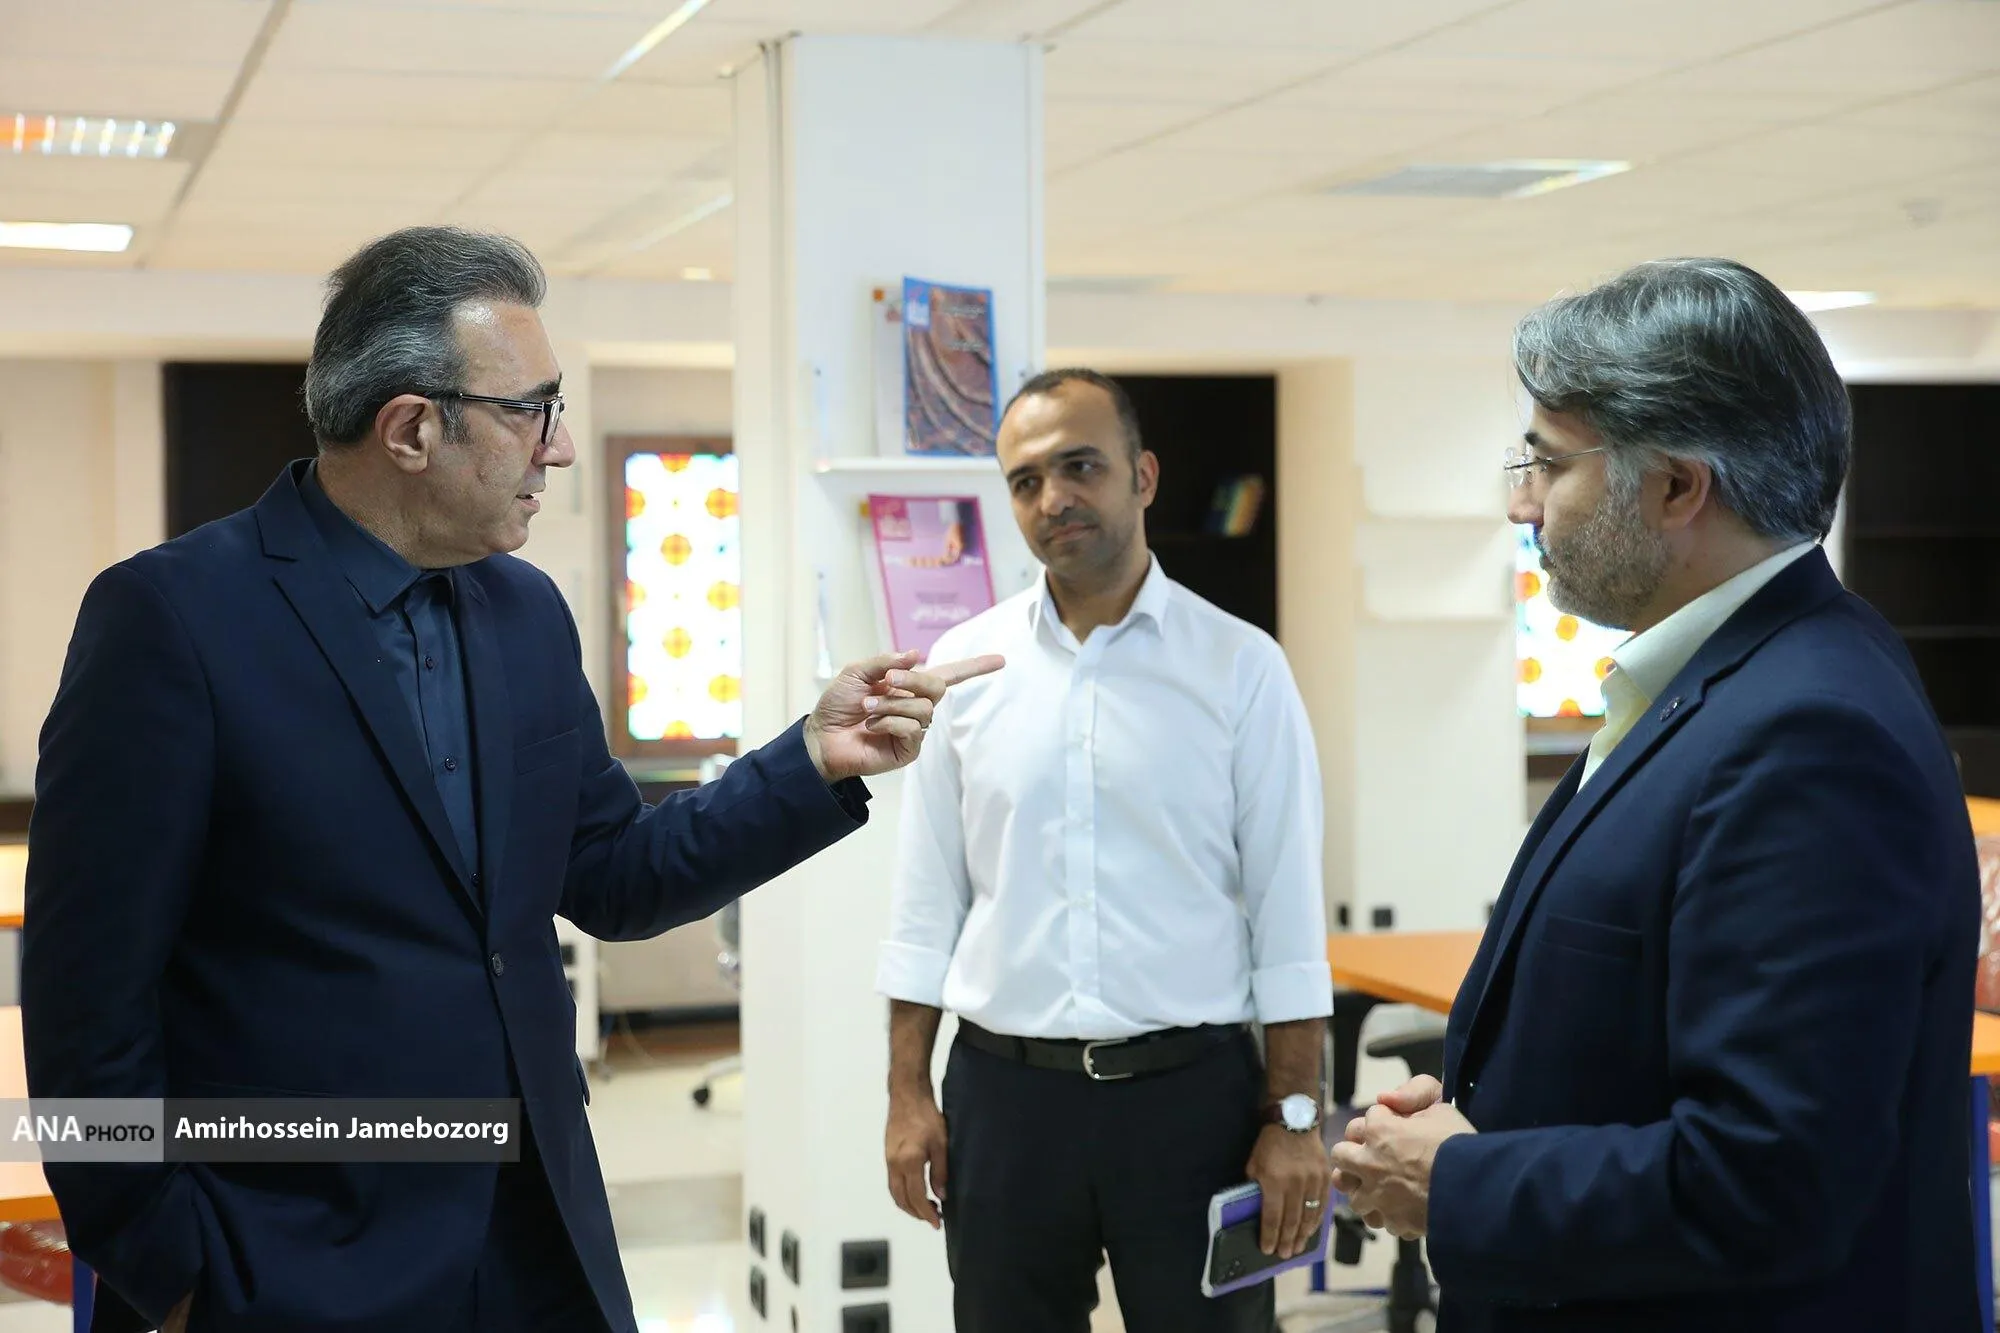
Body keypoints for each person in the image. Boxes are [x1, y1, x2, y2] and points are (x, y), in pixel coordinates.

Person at [22, 226, 1001, 1333]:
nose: (562, 447)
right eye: (532, 409)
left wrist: (810, 759)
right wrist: (167, 1267)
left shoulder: (522, 611)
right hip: (289, 1257)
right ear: (410, 429)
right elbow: (84, 1000)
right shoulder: (174, 617)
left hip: (533, 1244)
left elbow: (612, 871)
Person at [1331, 258, 1982, 1332]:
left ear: (1677, 487)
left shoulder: (1806, 734)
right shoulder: (1727, 680)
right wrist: (1481, 1120)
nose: (1519, 502)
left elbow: (1771, 1178)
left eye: (1548, 464)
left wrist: (1459, 1182)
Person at [877, 368, 1333, 1332]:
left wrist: (1294, 1118)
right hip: (1005, 1103)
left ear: (1144, 475)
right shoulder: (964, 669)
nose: (1053, 497)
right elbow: (925, 909)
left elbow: (1288, 917)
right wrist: (906, 1093)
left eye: (1080, 466)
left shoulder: (1241, 668)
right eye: (1026, 480)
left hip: (1193, 1105)